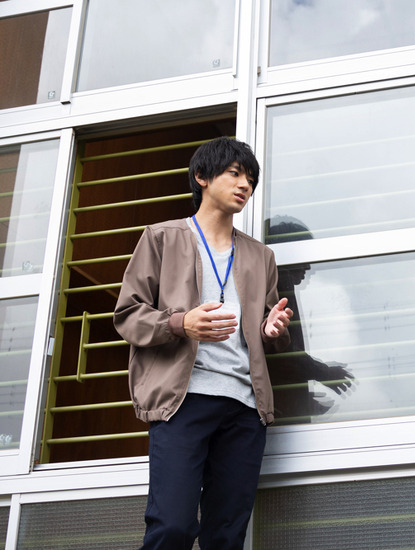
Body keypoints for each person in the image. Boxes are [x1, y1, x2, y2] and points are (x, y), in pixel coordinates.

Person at [114, 137, 293, 550]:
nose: (245, 185)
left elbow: (269, 328)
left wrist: (273, 329)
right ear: (202, 177)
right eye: (234, 173)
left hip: (246, 410)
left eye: (250, 178)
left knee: (226, 537)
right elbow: (127, 315)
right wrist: (181, 322)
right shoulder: (161, 238)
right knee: (172, 527)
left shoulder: (261, 256)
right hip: (183, 401)